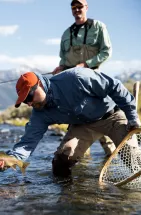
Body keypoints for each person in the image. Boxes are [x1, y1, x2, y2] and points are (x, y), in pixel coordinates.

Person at [0, 68, 141, 178]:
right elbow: (27, 144)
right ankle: (69, 200)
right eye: (25, 101)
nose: (29, 104)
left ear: (39, 84)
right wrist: (7, 161)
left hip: (111, 116)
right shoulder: (40, 113)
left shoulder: (76, 78)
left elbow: (114, 86)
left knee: (133, 158)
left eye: (29, 97)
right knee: (61, 161)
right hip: (82, 126)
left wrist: (132, 115)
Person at [52, 0, 115, 156]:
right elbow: (63, 59)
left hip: (94, 80)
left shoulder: (98, 26)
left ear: (86, 8)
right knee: (77, 119)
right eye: (74, 7)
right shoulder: (66, 33)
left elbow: (106, 52)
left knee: (101, 116)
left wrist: (86, 65)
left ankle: (110, 157)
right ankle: (80, 157)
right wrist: (61, 68)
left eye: (80, 6)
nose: (77, 10)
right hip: (73, 85)